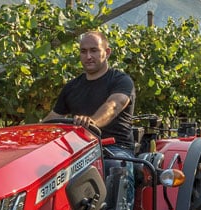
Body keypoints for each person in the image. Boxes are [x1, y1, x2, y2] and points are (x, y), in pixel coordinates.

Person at [44, 30, 137, 158]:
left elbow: (113, 106)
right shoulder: (72, 87)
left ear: (107, 53)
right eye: (83, 51)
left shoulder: (121, 81)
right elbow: (53, 117)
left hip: (114, 148)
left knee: (114, 167)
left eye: (94, 50)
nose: (88, 56)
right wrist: (28, 134)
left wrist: (91, 123)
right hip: (80, 149)